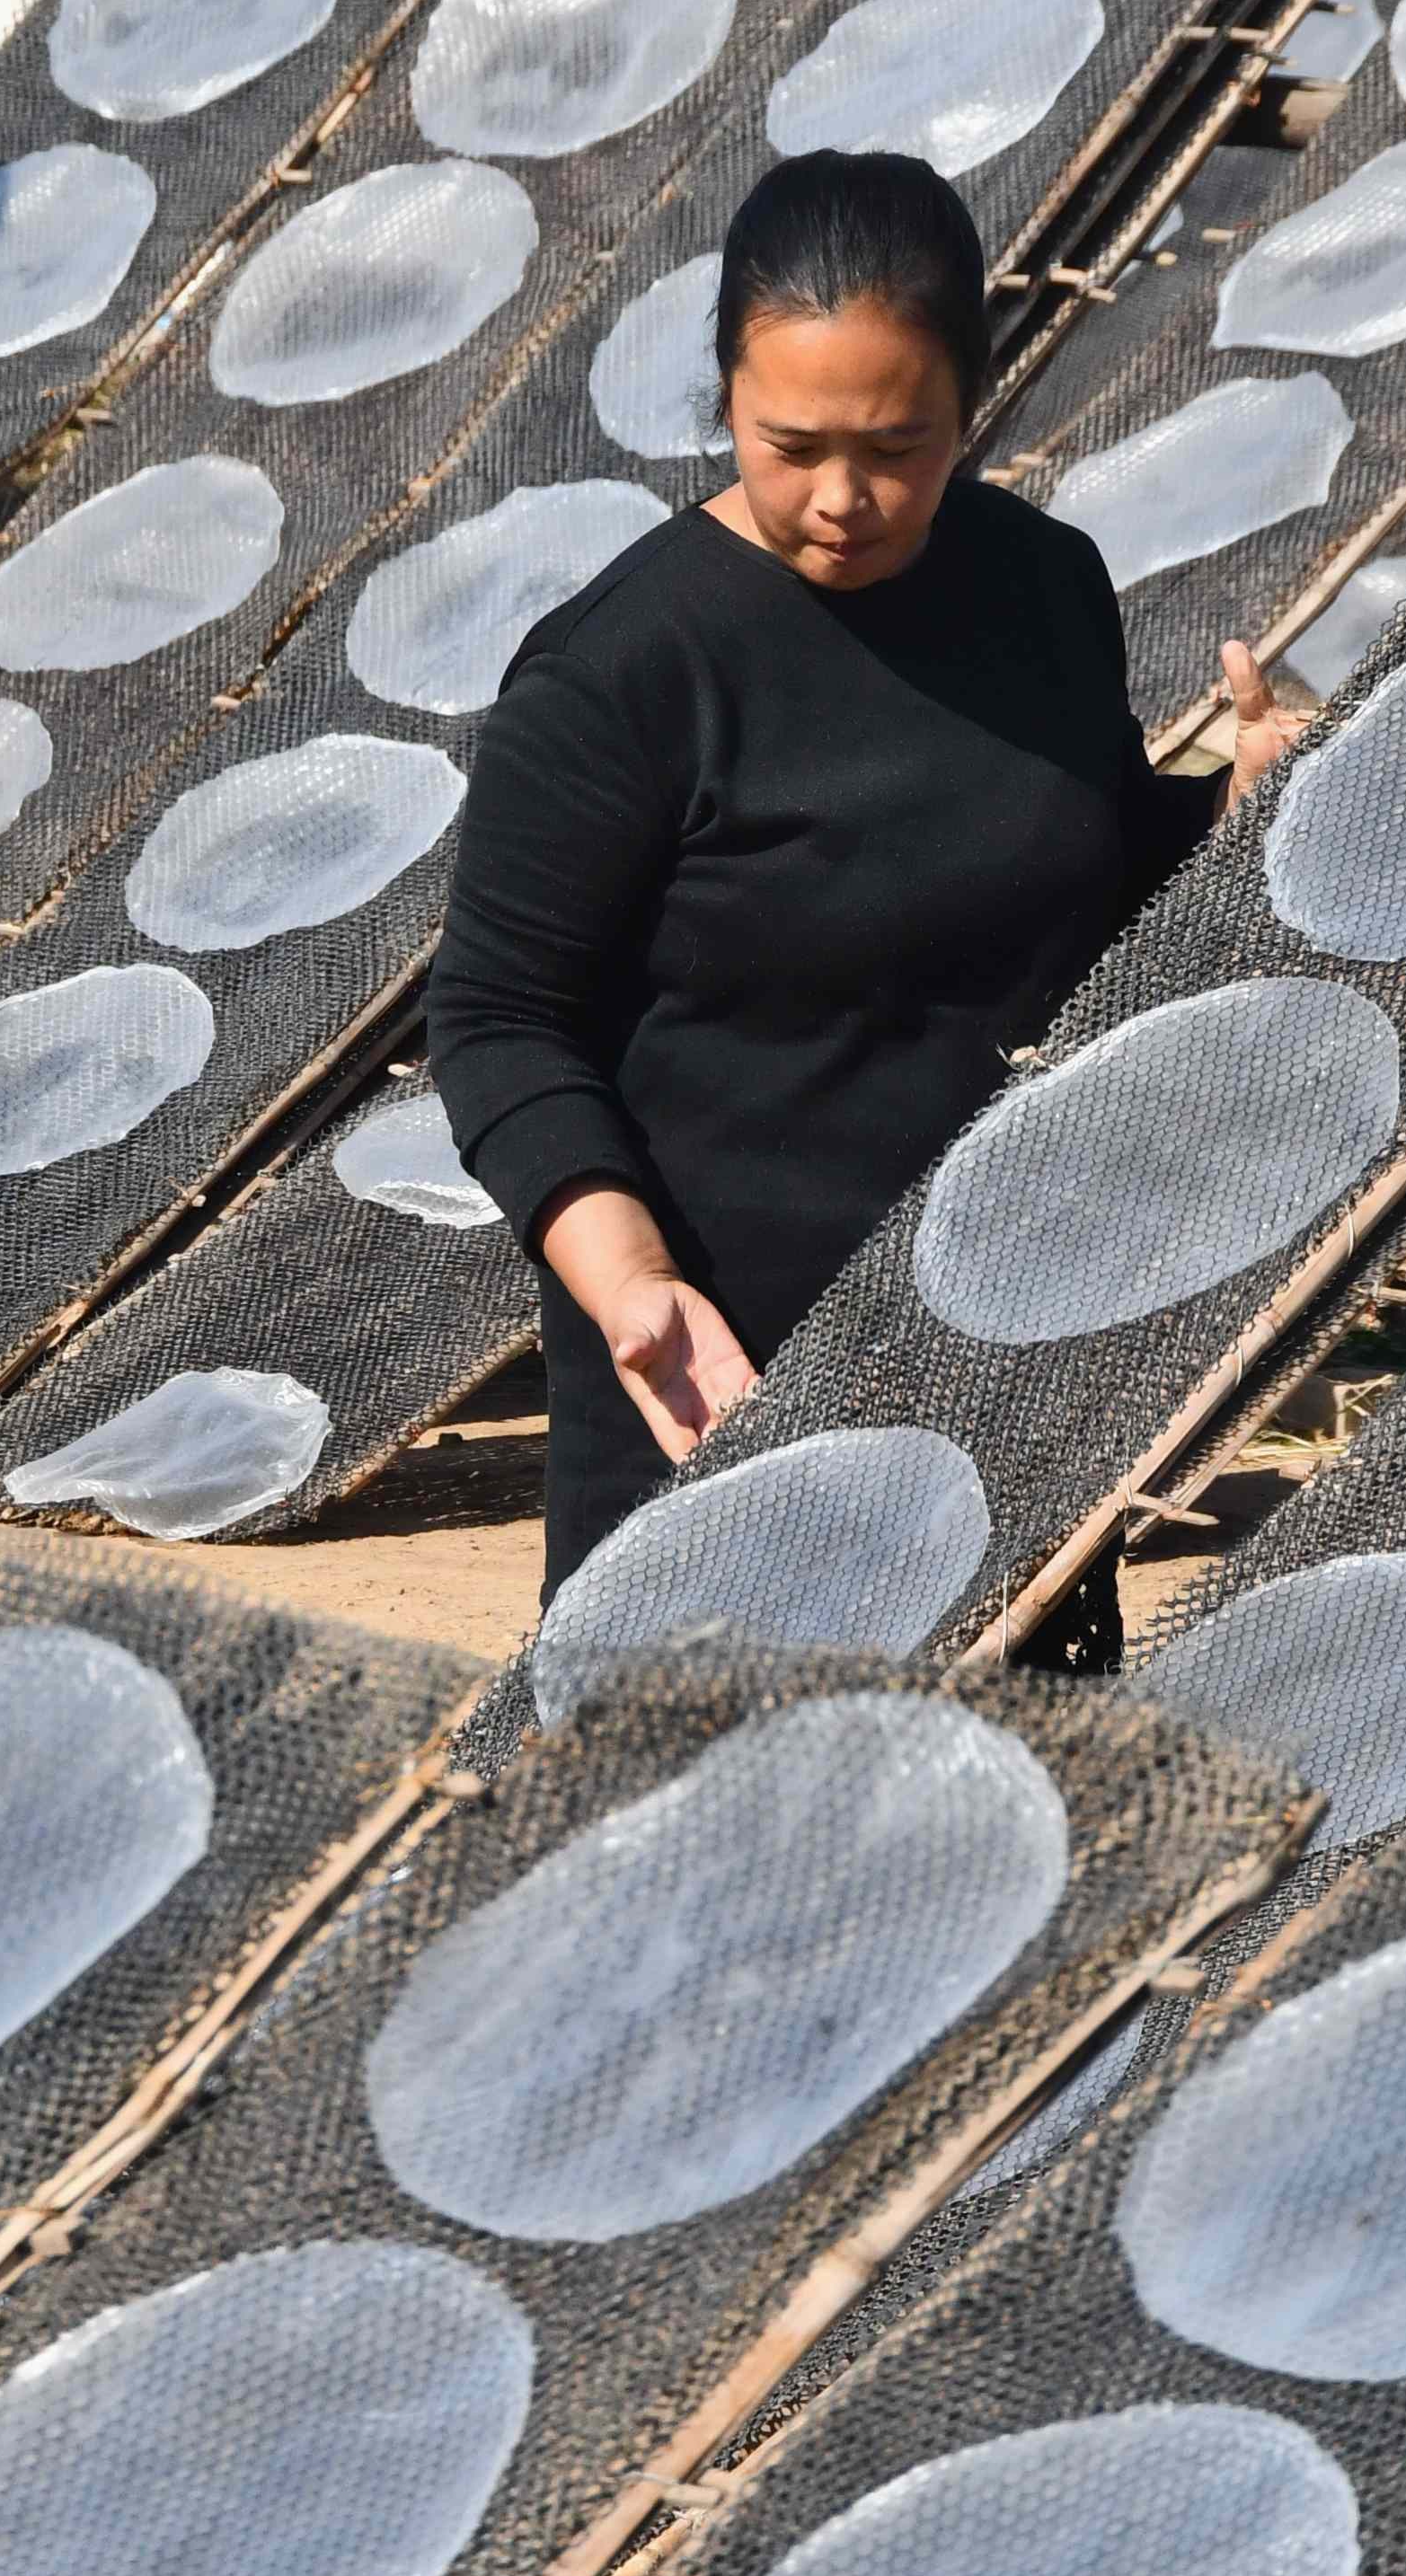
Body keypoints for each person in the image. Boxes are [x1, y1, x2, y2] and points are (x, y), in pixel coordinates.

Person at [432, 151, 1306, 1589]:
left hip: (1006, 1351)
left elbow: (1066, 878)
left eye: (897, 448)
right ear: (724, 396)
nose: (843, 497)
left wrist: (1235, 814)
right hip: (715, 1376)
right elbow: (498, 1020)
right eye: (792, 444)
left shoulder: (1044, 588)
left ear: (973, 407)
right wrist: (626, 1277)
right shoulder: (626, 672)